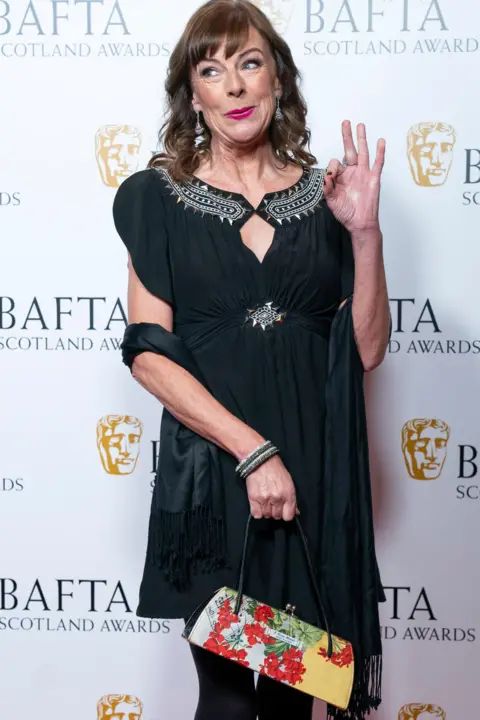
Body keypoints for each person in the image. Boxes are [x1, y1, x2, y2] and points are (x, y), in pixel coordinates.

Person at [112, 1, 390, 718]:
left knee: (300, 695)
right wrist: (250, 451)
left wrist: (363, 234)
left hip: (313, 477)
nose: (233, 86)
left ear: (277, 80)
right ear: (193, 95)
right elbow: (148, 353)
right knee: (229, 697)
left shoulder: (326, 197)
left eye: (249, 63)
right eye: (212, 70)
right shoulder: (156, 199)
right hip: (217, 477)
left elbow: (365, 350)